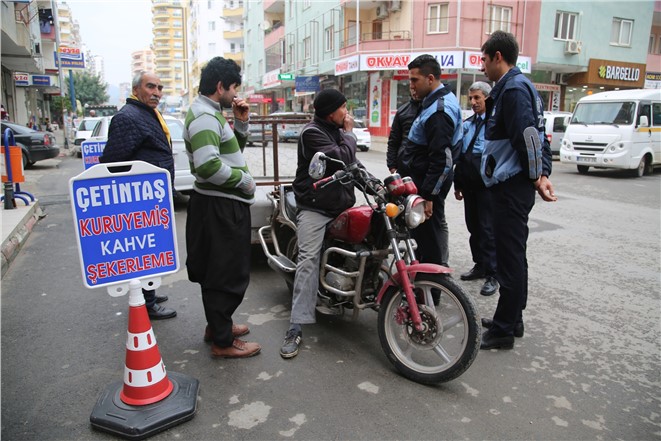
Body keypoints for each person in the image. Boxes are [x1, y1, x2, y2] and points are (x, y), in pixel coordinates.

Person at [479, 30, 557, 350]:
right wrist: (541, 173)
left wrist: (538, 176)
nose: (482, 66)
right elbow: (538, 135)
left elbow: (528, 137)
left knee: (509, 258)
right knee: (514, 255)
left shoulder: (512, 89)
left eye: (484, 59)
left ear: (499, 57)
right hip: (511, 185)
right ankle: (513, 318)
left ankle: (503, 331)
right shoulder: (518, 87)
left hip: (511, 187)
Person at [183, 57, 260, 359]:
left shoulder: (212, 113)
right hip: (220, 207)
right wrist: (245, 181)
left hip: (220, 204)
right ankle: (223, 342)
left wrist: (240, 122)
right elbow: (208, 166)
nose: (236, 95)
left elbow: (229, 154)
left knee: (220, 269)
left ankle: (218, 326)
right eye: (234, 89)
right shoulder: (204, 116)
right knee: (226, 272)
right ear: (220, 86)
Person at [280, 88, 362, 359]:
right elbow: (342, 158)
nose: (346, 112)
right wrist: (350, 134)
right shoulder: (311, 132)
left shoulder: (337, 131)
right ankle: (296, 326)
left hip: (340, 204)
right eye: (343, 107)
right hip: (315, 207)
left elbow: (354, 165)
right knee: (307, 259)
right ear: (331, 111)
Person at [99, 71, 176, 320]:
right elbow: (112, 160)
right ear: (136, 89)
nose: (156, 92)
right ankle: (147, 303)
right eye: (151, 86)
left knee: (152, 248)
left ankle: (148, 292)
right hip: (139, 198)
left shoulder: (146, 113)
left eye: (160, 88)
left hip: (153, 194)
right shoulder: (128, 117)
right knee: (142, 251)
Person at [399, 54, 462, 268]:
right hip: (423, 181)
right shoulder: (432, 103)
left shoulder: (439, 111)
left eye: (415, 80)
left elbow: (441, 160)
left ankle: (430, 291)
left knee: (429, 240)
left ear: (431, 78)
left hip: (426, 184)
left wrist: (428, 196)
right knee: (422, 238)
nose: (411, 85)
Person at [453, 81, 498, 297]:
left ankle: (493, 273)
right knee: (474, 228)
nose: (473, 102)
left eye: (477, 98)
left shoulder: (495, 124)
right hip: (469, 185)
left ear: (487, 98)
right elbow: (461, 156)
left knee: (488, 229)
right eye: (471, 98)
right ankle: (479, 265)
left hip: (487, 187)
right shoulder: (469, 124)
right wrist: (458, 184)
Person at [386, 92, 421, 174]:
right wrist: (392, 165)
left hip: (425, 168)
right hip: (404, 166)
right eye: (411, 87)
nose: (414, 90)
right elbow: (393, 141)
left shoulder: (432, 110)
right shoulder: (402, 111)